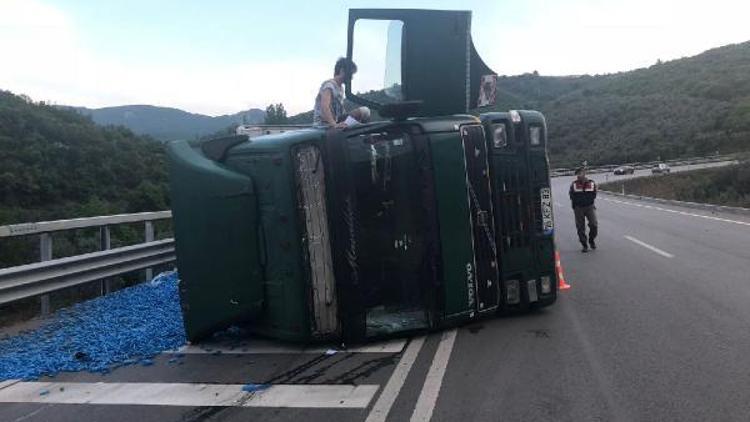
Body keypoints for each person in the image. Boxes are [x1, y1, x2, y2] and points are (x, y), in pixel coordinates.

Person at [313, 57, 370, 128]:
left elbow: (340, 111)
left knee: (365, 112)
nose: (351, 78)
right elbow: (325, 107)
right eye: (350, 74)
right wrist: (334, 124)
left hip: (336, 120)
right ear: (342, 71)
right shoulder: (329, 85)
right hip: (324, 124)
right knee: (364, 110)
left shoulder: (341, 88)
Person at [569, 167, 598, 252]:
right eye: (577, 174)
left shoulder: (592, 183)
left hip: (589, 206)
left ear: (584, 173)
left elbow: (594, 194)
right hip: (578, 208)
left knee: (594, 224)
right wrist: (576, 205)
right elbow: (571, 196)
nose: (579, 175)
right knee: (580, 227)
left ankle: (591, 240)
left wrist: (589, 201)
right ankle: (584, 244)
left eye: (580, 173)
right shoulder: (574, 184)